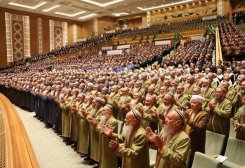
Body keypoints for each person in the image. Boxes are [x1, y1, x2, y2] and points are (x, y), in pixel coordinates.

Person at [184, 95, 209, 167]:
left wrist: (189, 120)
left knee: (193, 162)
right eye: (191, 102)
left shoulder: (204, 115)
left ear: (200, 105)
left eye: (195, 103)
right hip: (186, 139)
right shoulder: (188, 111)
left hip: (196, 142)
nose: (192, 104)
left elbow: (199, 128)